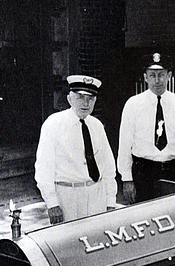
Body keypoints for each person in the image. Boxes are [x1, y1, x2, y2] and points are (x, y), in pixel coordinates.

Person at [34, 75, 117, 224]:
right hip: (67, 197)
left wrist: (110, 200)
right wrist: (52, 203)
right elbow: (44, 168)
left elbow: (108, 165)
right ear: (69, 99)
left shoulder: (97, 125)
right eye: (80, 97)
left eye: (90, 98)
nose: (85, 103)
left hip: (96, 196)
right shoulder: (54, 124)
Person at [118, 52, 175, 204]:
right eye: (152, 75)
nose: (157, 80)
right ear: (145, 77)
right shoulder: (133, 104)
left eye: (161, 75)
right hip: (145, 172)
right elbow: (125, 144)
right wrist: (127, 179)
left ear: (169, 75)